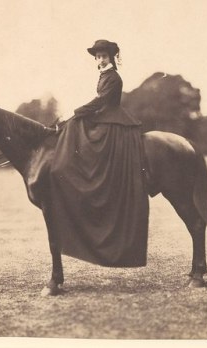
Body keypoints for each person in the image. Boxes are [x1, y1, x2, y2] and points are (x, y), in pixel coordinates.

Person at [49, 39, 148, 267]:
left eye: (104, 56)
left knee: (76, 125)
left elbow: (102, 101)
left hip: (112, 119)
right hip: (103, 115)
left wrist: (76, 111)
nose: (101, 59)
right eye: (98, 56)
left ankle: (94, 173)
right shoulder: (104, 74)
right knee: (76, 124)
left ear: (111, 57)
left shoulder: (113, 77)